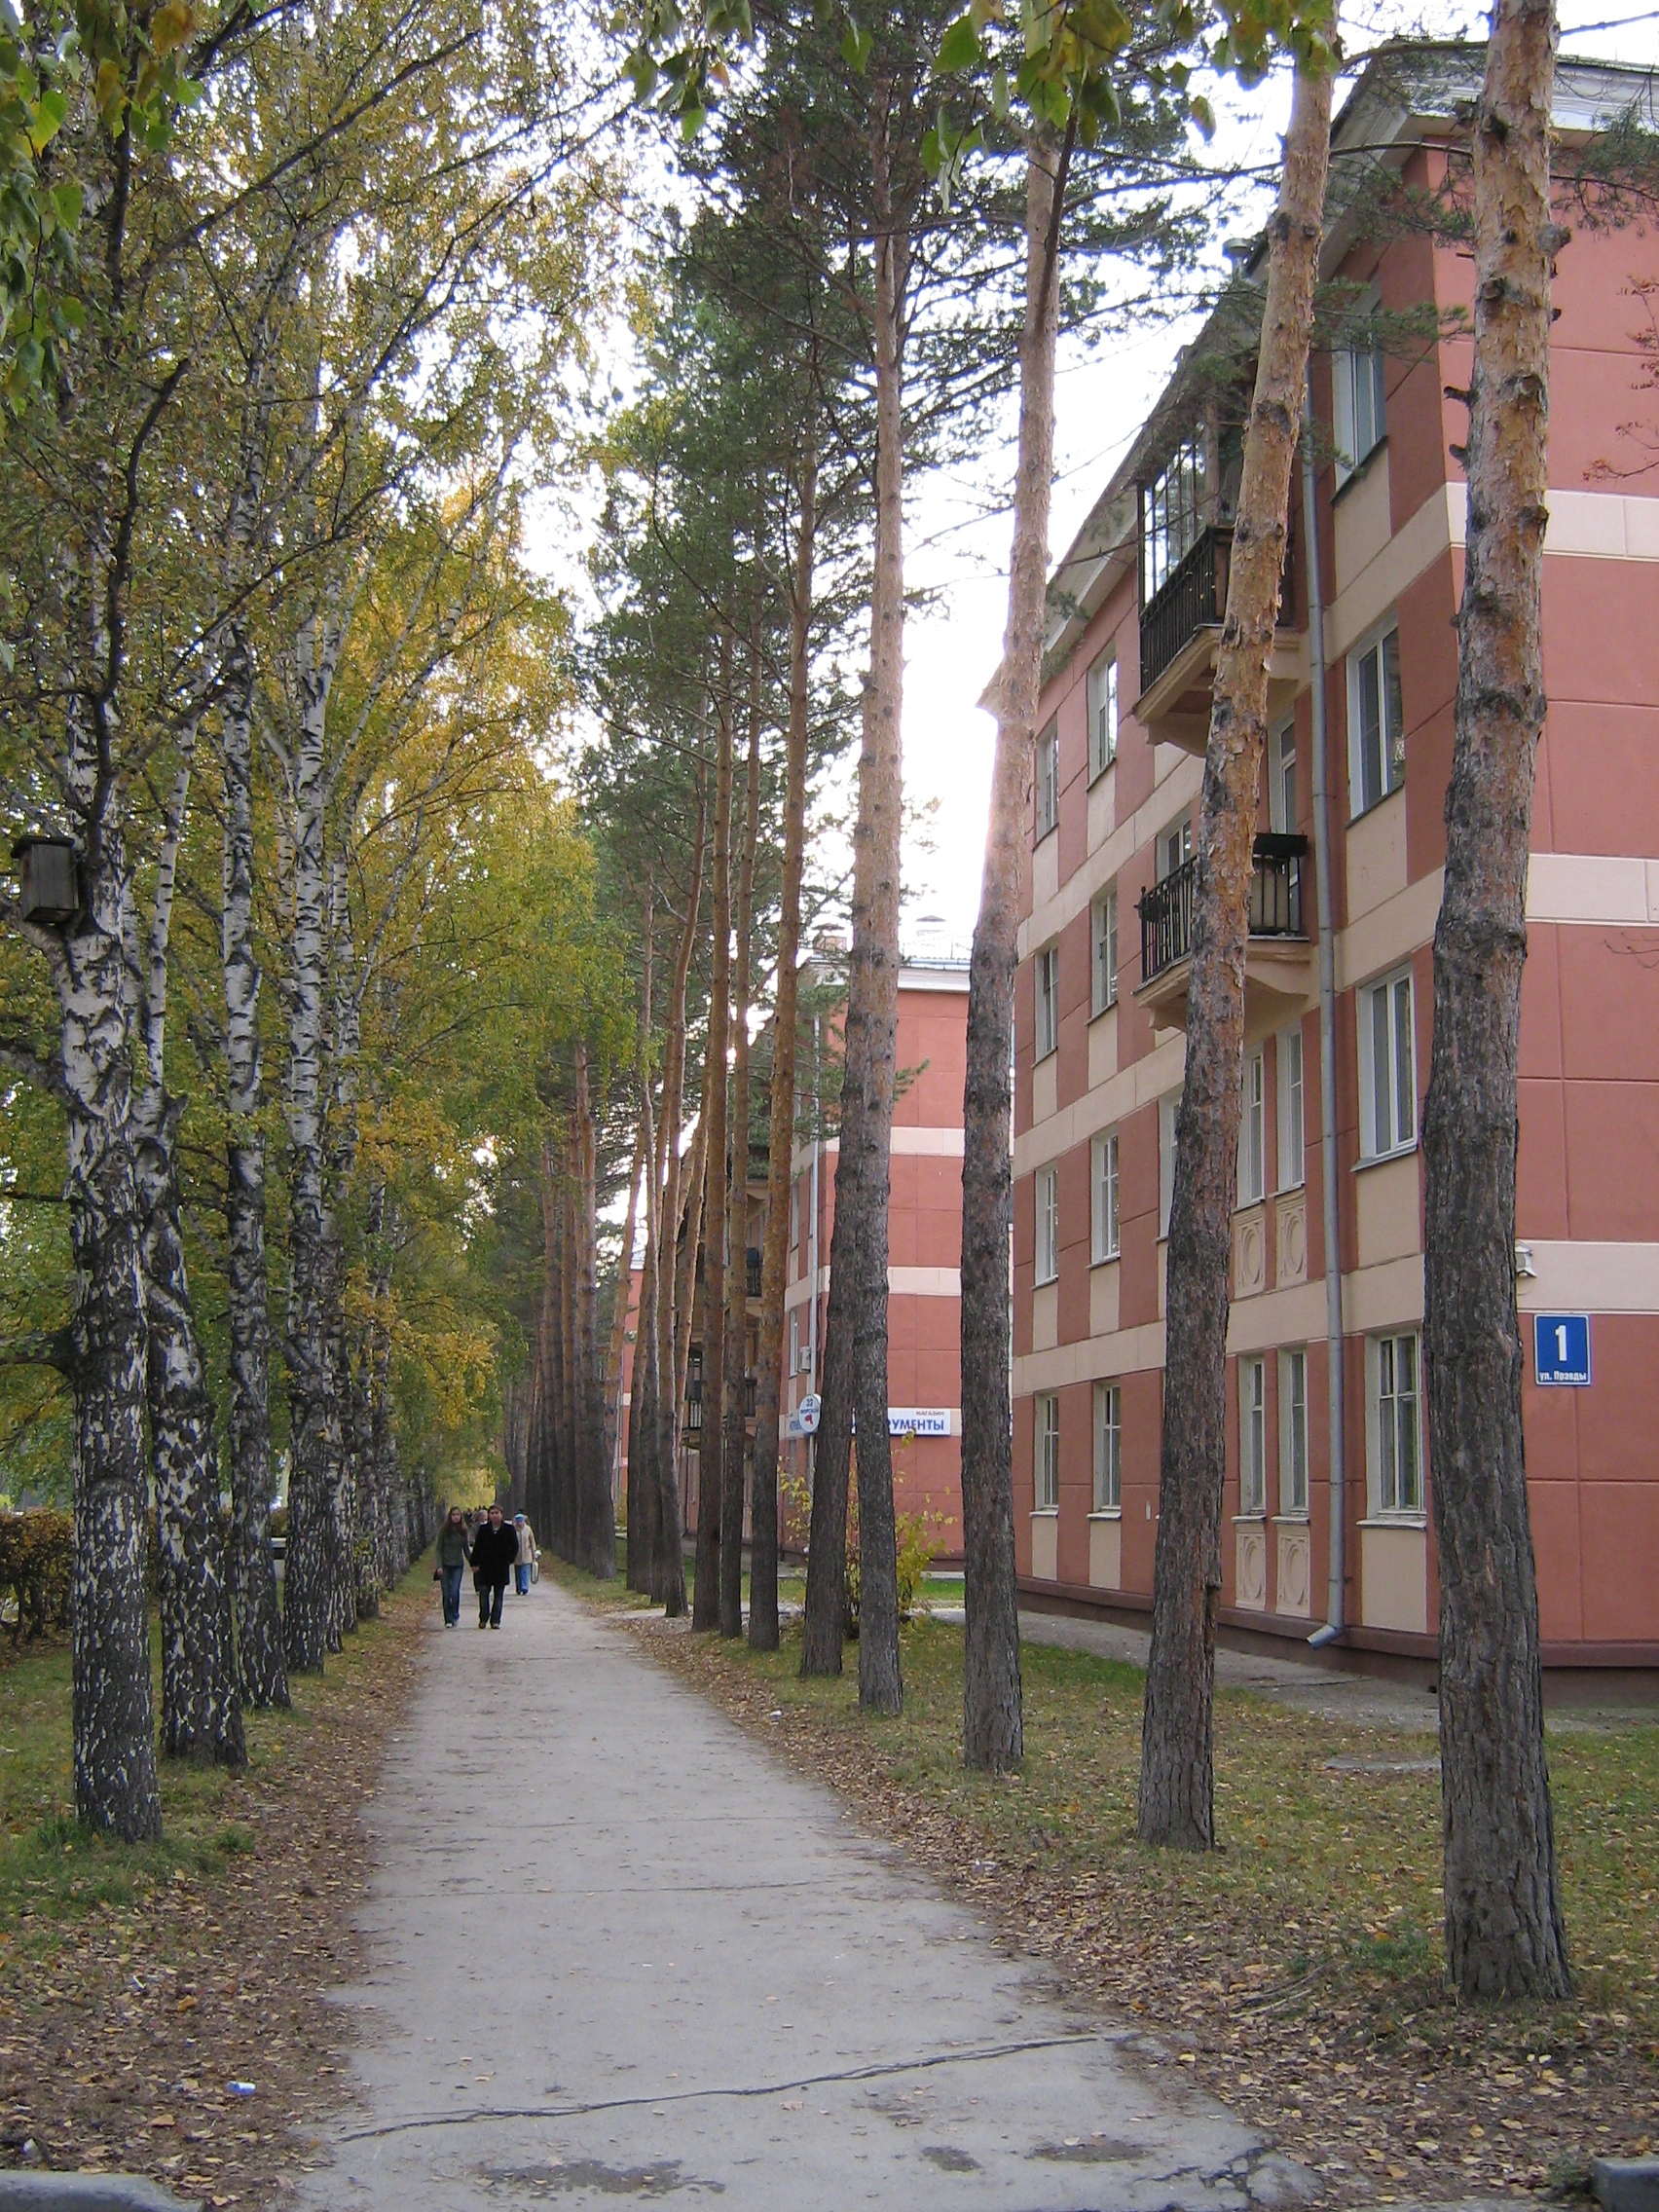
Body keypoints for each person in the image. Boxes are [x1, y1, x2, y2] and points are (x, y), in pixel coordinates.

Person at [468, 1502, 518, 1630]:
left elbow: (514, 1547)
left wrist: (509, 1560)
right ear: (489, 1515)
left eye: (497, 1513)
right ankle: (483, 1617)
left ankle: (495, 1620)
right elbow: (478, 1547)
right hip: (485, 1567)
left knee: (498, 1595)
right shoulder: (484, 1530)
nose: (495, 1515)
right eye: (492, 1513)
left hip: (501, 1567)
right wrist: (474, 1563)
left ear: (501, 1515)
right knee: (484, 1594)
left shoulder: (509, 1529)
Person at [433, 1506, 468, 1628]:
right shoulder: (444, 1530)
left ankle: (455, 1614)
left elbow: (466, 1550)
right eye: (454, 1514)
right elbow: (438, 1549)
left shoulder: (463, 1531)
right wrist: (439, 1566)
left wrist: (474, 1563)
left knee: (454, 1591)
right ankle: (448, 1618)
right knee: (446, 1593)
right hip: (445, 1566)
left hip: (457, 1565)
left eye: (458, 1514)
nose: (456, 1517)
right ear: (450, 1516)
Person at [512, 1514, 538, 1596]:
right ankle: (518, 1588)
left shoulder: (528, 1529)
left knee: (525, 1571)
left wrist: (534, 1553)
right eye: (517, 1522)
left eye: (520, 1521)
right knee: (518, 1573)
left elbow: (532, 1541)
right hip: (516, 1555)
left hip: (527, 1554)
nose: (519, 1523)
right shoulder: (513, 1530)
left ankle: (524, 1587)